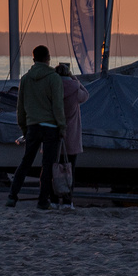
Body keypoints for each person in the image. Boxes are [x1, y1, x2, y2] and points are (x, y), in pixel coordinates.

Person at [7, 45, 65, 209]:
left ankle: (12, 196)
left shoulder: (26, 78)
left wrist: (23, 127)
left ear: (33, 60)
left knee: (26, 162)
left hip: (32, 126)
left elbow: (21, 106)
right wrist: (62, 126)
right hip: (50, 127)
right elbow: (58, 106)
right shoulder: (54, 78)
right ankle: (42, 200)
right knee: (47, 165)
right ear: (48, 58)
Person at [55, 62, 89, 210]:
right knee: (70, 170)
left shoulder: (53, 88)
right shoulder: (75, 88)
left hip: (55, 133)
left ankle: (54, 199)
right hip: (72, 135)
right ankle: (68, 201)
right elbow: (86, 95)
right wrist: (75, 79)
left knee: (54, 169)